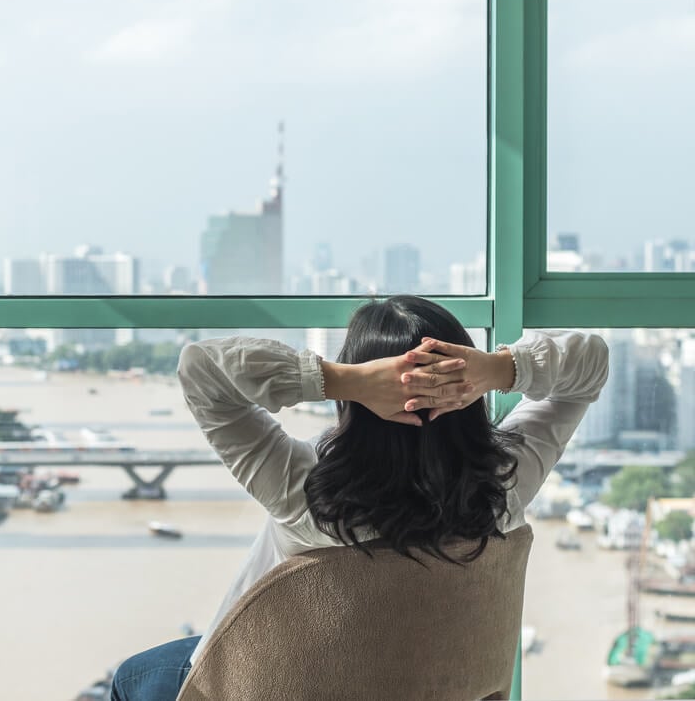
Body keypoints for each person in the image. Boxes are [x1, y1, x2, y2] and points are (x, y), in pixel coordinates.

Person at [110, 295, 609, 701]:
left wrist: (342, 380)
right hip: (428, 680)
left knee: (133, 677)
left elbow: (202, 370)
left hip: (283, 684)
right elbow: (590, 362)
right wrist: (498, 371)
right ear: (466, 384)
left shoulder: (306, 493)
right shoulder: (507, 483)